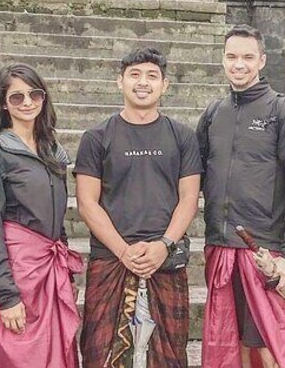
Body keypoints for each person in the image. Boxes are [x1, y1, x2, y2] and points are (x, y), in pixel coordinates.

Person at [198, 25, 285, 368]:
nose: (239, 64)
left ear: (262, 61)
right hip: (221, 246)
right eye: (232, 56)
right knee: (231, 341)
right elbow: (196, 177)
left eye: (248, 57)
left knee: (267, 344)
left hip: (264, 251)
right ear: (223, 60)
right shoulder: (214, 114)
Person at [75, 47, 202, 368]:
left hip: (166, 259)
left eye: (151, 76)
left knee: (168, 356)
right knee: (100, 353)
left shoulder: (182, 137)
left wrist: (164, 244)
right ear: (120, 81)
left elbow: (189, 198)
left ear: (164, 85)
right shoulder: (96, 137)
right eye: (134, 75)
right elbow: (87, 203)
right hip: (110, 258)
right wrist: (123, 251)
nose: (143, 82)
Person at [0, 63, 82, 368]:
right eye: (17, 97)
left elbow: (56, 221)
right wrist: (6, 296)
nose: (27, 102)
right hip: (16, 276)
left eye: (34, 94)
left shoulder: (51, 150)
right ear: (3, 103)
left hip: (49, 274)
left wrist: (66, 274)